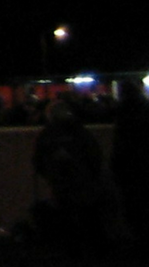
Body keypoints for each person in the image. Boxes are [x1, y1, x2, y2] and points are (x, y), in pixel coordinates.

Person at [32, 100, 107, 259]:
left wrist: (50, 174)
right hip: (82, 178)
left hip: (60, 180)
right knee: (87, 212)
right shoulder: (79, 132)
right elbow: (94, 154)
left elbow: (38, 160)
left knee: (66, 214)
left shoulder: (47, 135)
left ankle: (73, 249)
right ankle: (97, 248)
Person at [113, 81, 149, 252]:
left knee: (133, 205)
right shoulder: (143, 109)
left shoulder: (122, 112)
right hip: (142, 164)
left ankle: (140, 240)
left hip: (129, 167)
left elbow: (120, 144)